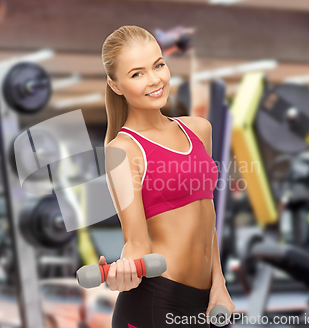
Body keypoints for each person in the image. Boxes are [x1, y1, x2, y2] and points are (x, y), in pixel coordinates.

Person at [101, 25, 235, 328]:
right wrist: (123, 273)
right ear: (116, 84)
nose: (155, 80)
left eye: (158, 65)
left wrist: (219, 284)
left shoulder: (199, 129)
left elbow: (206, 216)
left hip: (206, 300)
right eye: (137, 74)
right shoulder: (121, 150)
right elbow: (135, 241)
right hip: (156, 301)